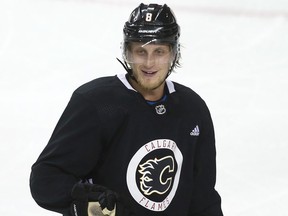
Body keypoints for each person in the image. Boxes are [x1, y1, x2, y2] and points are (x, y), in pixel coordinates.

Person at [30, 3, 223, 216]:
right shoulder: (97, 103)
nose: (149, 63)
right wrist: (81, 200)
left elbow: (204, 199)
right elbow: (46, 178)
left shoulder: (192, 109)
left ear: (173, 54)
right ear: (127, 51)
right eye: (140, 51)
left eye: (159, 51)